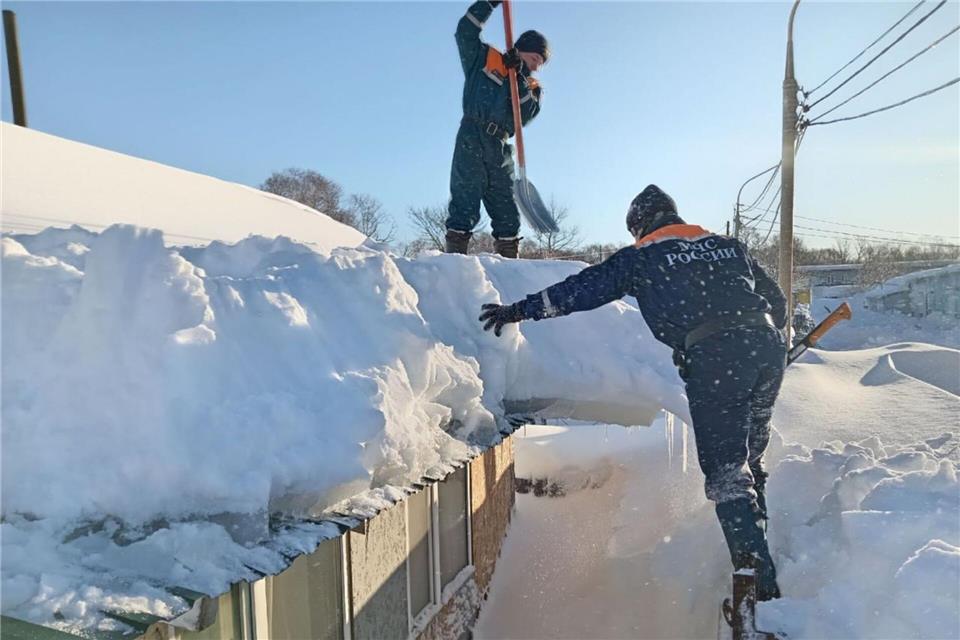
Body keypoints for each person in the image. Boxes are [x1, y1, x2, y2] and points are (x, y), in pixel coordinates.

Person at [478, 185, 787, 600]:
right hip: (765, 347)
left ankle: (758, 591)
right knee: (751, 453)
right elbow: (777, 302)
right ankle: (764, 542)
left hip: (717, 358)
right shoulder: (728, 246)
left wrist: (517, 311)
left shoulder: (642, 256)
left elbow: (579, 291)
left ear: (638, 227)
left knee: (727, 473)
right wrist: (763, 339)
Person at [445, 0, 549, 258]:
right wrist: (489, 3)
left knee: (506, 210)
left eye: (541, 63)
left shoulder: (533, 87)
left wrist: (520, 78)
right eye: (536, 58)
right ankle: (455, 263)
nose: (537, 66)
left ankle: (509, 267)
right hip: (472, 134)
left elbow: (524, 116)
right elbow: (465, 31)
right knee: (464, 200)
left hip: (500, 147)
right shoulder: (484, 59)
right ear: (522, 49)